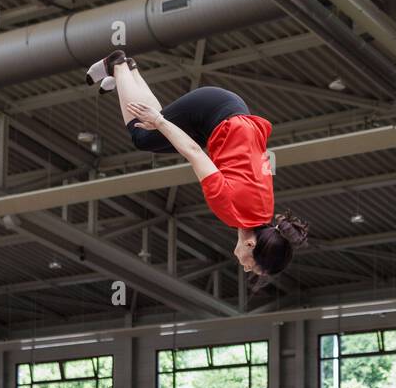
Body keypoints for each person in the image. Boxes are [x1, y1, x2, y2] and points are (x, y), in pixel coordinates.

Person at [85, 49, 308, 292]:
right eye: (251, 267)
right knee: (144, 136)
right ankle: (116, 65)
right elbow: (193, 153)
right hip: (212, 111)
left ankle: (128, 71)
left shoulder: (264, 214)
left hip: (230, 113)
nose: (244, 268)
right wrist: (159, 122)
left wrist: (161, 123)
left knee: (158, 131)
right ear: (251, 245)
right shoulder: (230, 210)